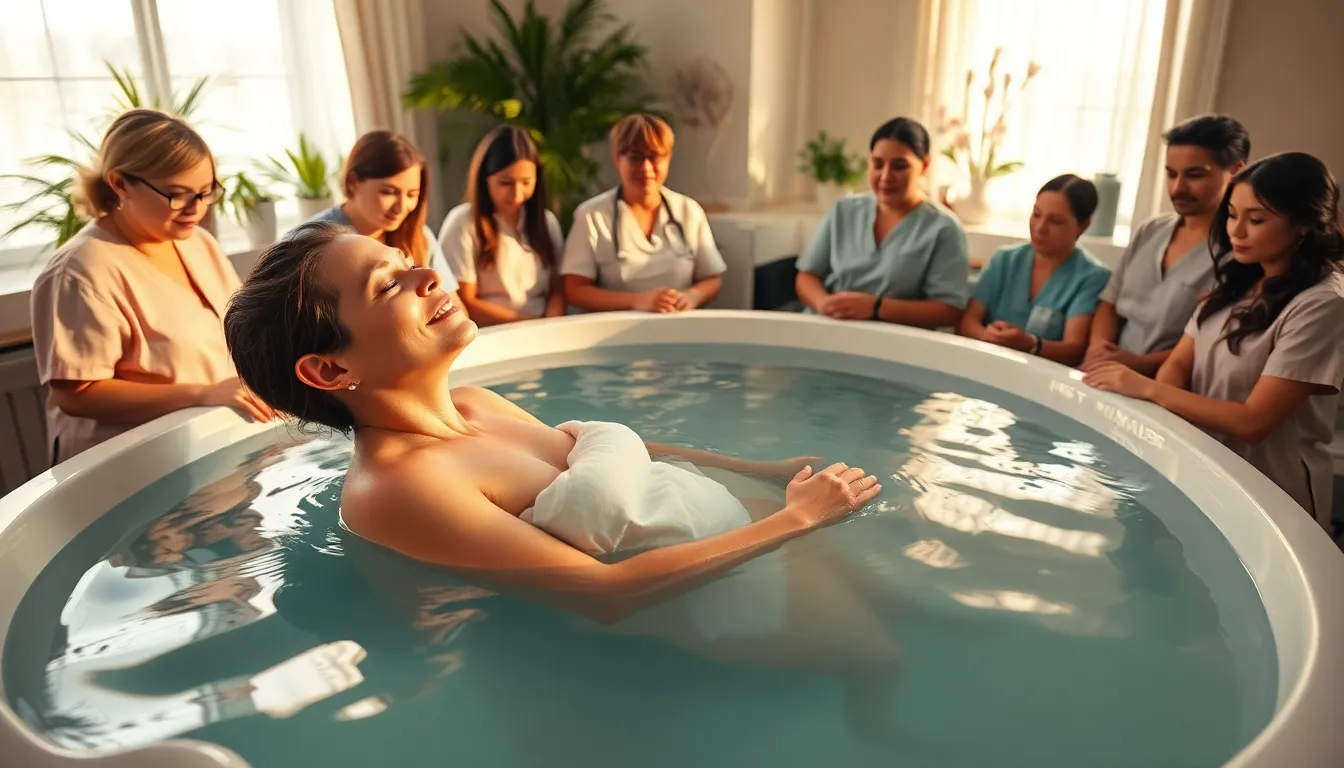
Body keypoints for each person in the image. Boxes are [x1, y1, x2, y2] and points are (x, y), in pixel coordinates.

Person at [224, 221, 909, 731]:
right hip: (713, 603)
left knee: (901, 614)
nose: (428, 275)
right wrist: (798, 519)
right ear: (330, 370)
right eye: (387, 285)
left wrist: (761, 472)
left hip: (742, 530)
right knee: (881, 666)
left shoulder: (473, 403)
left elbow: (624, 449)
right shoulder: (393, 489)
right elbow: (602, 594)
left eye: (406, 262)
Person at [1084, 152, 1344, 533]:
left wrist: (1148, 389)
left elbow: (1254, 421)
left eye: (1256, 220)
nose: (1236, 231)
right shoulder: (1238, 282)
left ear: (1303, 224)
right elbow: (1179, 362)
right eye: (1232, 214)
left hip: (1273, 489)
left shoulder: (1323, 303)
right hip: (1206, 468)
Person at [29, 108, 275, 465]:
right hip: (125, 468)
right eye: (177, 194)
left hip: (208, 449)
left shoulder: (197, 243)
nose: (196, 209)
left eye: (206, 192)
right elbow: (76, 395)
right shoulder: (80, 272)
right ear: (119, 183)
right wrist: (203, 394)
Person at [1083, 115, 1251, 374]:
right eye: (1171, 174)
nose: (1178, 187)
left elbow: (1209, 345)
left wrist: (1137, 365)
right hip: (1105, 373)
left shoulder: (1239, 251)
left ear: (1236, 170)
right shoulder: (1151, 230)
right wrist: (1099, 351)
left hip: (1165, 385)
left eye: (1194, 175)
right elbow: (1109, 304)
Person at [795, 117, 970, 328]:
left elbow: (949, 311)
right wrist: (823, 304)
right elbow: (807, 275)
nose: (886, 176)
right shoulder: (844, 210)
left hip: (895, 343)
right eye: (877, 164)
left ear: (924, 165)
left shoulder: (943, 228)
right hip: (827, 327)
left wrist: (876, 307)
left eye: (899, 166)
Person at [561, 114, 726, 313]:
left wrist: (693, 296)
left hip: (677, 329)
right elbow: (575, 290)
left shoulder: (688, 211)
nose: (646, 168)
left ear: (668, 158)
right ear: (617, 159)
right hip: (612, 334)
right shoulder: (592, 215)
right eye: (635, 157)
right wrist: (636, 302)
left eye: (655, 156)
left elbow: (711, 279)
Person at [307, 130, 465, 316]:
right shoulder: (310, 241)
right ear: (353, 182)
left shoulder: (419, 236)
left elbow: (458, 311)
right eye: (388, 192)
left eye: (412, 195)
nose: (401, 207)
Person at [958, 175, 1111, 365]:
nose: (1039, 228)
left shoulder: (1092, 277)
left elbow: (1074, 349)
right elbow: (968, 321)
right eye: (1036, 214)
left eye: (1056, 221)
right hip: (985, 364)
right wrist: (989, 338)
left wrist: (1030, 344)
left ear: (1083, 226)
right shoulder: (1004, 259)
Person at [438, 125, 565, 325]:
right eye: (505, 183)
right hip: (491, 332)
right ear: (485, 180)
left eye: (526, 182)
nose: (516, 194)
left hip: (542, 327)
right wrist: (528, 323)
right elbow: (464, 301)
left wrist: (550, 323)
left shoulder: (546, 222)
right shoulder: (463, 222)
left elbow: (557, 287)